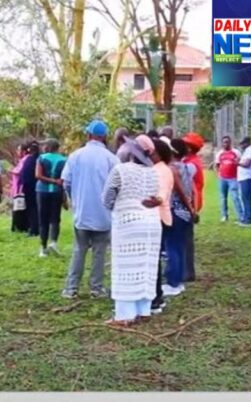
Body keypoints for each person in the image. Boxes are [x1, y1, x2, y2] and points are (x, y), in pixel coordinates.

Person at [102, 137, 161, 326]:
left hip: (128, 223)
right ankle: (143, 310)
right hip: (152, 224)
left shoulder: (120, 170)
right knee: (146, 266)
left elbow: (107, 198)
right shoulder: (153, 172)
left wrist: (121, 207)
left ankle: (124, 315)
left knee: (125, 268)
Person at [60, 120, 118, 299]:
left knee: (79, 250)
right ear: (104, 136)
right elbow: (116, 186)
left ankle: (71, 288)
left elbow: (66, 182)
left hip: (82, 211)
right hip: (103, 214)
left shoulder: (75, 156)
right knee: (100, 252)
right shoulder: (111, 158)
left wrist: (74, 198)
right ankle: (96, 288)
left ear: (88, 135)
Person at [160, 138, 196, 296]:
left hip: (174, 211)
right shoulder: (187, 167)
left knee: (172, 247)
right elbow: (191, 190)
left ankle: (173, 282)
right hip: (185, 214)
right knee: (179, 247)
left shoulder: (171, 169)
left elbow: (179, 191)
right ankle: (179, 280)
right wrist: (192, 209)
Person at [147, 137, 175, 314]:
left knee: (152, 259)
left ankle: (156, 298)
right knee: (153, 258)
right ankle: (156, 295)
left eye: (151, 152)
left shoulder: (162, 171)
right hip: (155, 217)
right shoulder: (156, 169)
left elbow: (162, 195)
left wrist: (150, 201)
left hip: (158, 218)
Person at [35, 138, 67, 256]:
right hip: (57, 192)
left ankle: (43, 248)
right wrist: (64, 196)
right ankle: (53, 242)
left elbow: (38, 175)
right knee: (55, 219)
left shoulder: (41, 158)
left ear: (47, 147)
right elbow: (64, 179)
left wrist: (51, 180)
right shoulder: (64, 160)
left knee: (43, 219)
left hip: (42, 191)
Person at [181, 132, 205, 282]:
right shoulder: (190, 160)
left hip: (190, 203)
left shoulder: (191, 164)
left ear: (190, 148)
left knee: (186, 239)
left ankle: (188, 272)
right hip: (191, 202)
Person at [215, 136, 243, 222]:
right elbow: (217, 165)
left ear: (230, 142)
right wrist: (218, 174)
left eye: (227, 142)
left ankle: (240, 216)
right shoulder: (220, 153)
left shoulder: (236, 152)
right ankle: (224, 215)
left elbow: (240, 163)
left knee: (235, 197)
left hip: (233, 178)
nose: (225, 144)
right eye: (224, 142)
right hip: (223, 178)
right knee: (223, 198)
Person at [237, 136, 251, 226]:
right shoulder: (248, 150)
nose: (241, 145)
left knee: (246, 198)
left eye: (242, 144)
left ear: (247, 143)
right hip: (244, 177)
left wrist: (237, 163)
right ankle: (246, 217)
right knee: (245, 198)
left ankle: (248, 219)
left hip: (247, 177)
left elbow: (247, 164)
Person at [19, 141, 40, 236]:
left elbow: (24, 175)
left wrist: (22, 186)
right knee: (36, 208)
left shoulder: (30, 160)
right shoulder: (38, 159)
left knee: (32, 209)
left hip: (30, 188)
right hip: (36, 187)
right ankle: (36, 227)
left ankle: (34, 229)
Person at [10, 144, 29, 233]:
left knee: (19, 208)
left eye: (19, 150)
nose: (17, 152)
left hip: (20, 188)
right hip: (17, 188)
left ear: (24, 151)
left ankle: (20, 227)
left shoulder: (25, 160)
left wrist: (12, 170)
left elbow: (18, 171)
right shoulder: (22, 160)